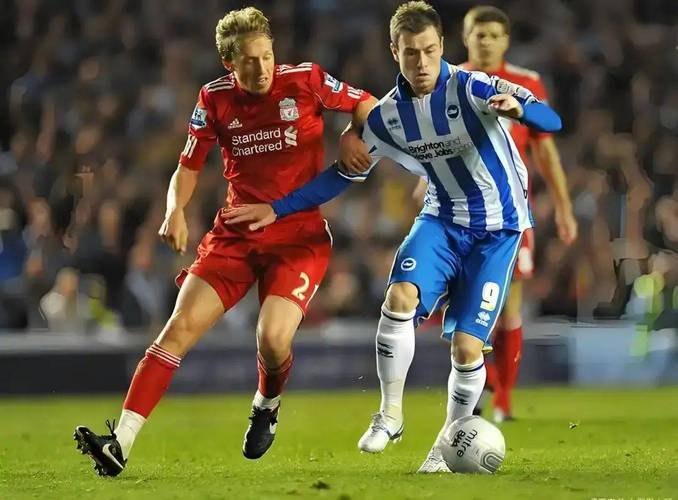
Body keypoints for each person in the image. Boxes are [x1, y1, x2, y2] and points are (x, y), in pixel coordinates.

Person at [223, 1, 562, 474]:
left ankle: (445, 447)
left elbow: (551, 120)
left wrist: (521, 109)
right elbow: (342, 176)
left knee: (467, 349)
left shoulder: (474, 87)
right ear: (394, 52)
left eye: (429, 50)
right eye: (410, 53)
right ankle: (389, 415)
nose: (421, 63)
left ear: (442, 46)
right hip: (441, 220)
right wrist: (277, 208)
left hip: (497, 231)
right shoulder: (387, 116)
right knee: (399, 297)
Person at [73, 6, 375, 477]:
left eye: (266, 56)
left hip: (298, 238)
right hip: (235, 234)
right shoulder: (213, 99)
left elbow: (367, 103)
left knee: (272, 339)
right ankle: (121, 443)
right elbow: (188, 164)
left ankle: (266, 404)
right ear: (228, 63)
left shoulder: (306, 80)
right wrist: (175, 209)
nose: (262, 68)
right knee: (177, 329)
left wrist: (354, 133)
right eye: (249, 61)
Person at [412, 6, 578, 423]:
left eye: (492, 35)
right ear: (465, 38)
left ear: (506, 41)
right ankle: (478, 384)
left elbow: (545, 150)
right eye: (478, 34)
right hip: (457, 210)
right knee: (465, 301)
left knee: (508, 305)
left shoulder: (525, 84)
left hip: (510, 212)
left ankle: (503, 398)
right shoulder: (448, 81)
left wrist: (563, 207)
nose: (484, 41)